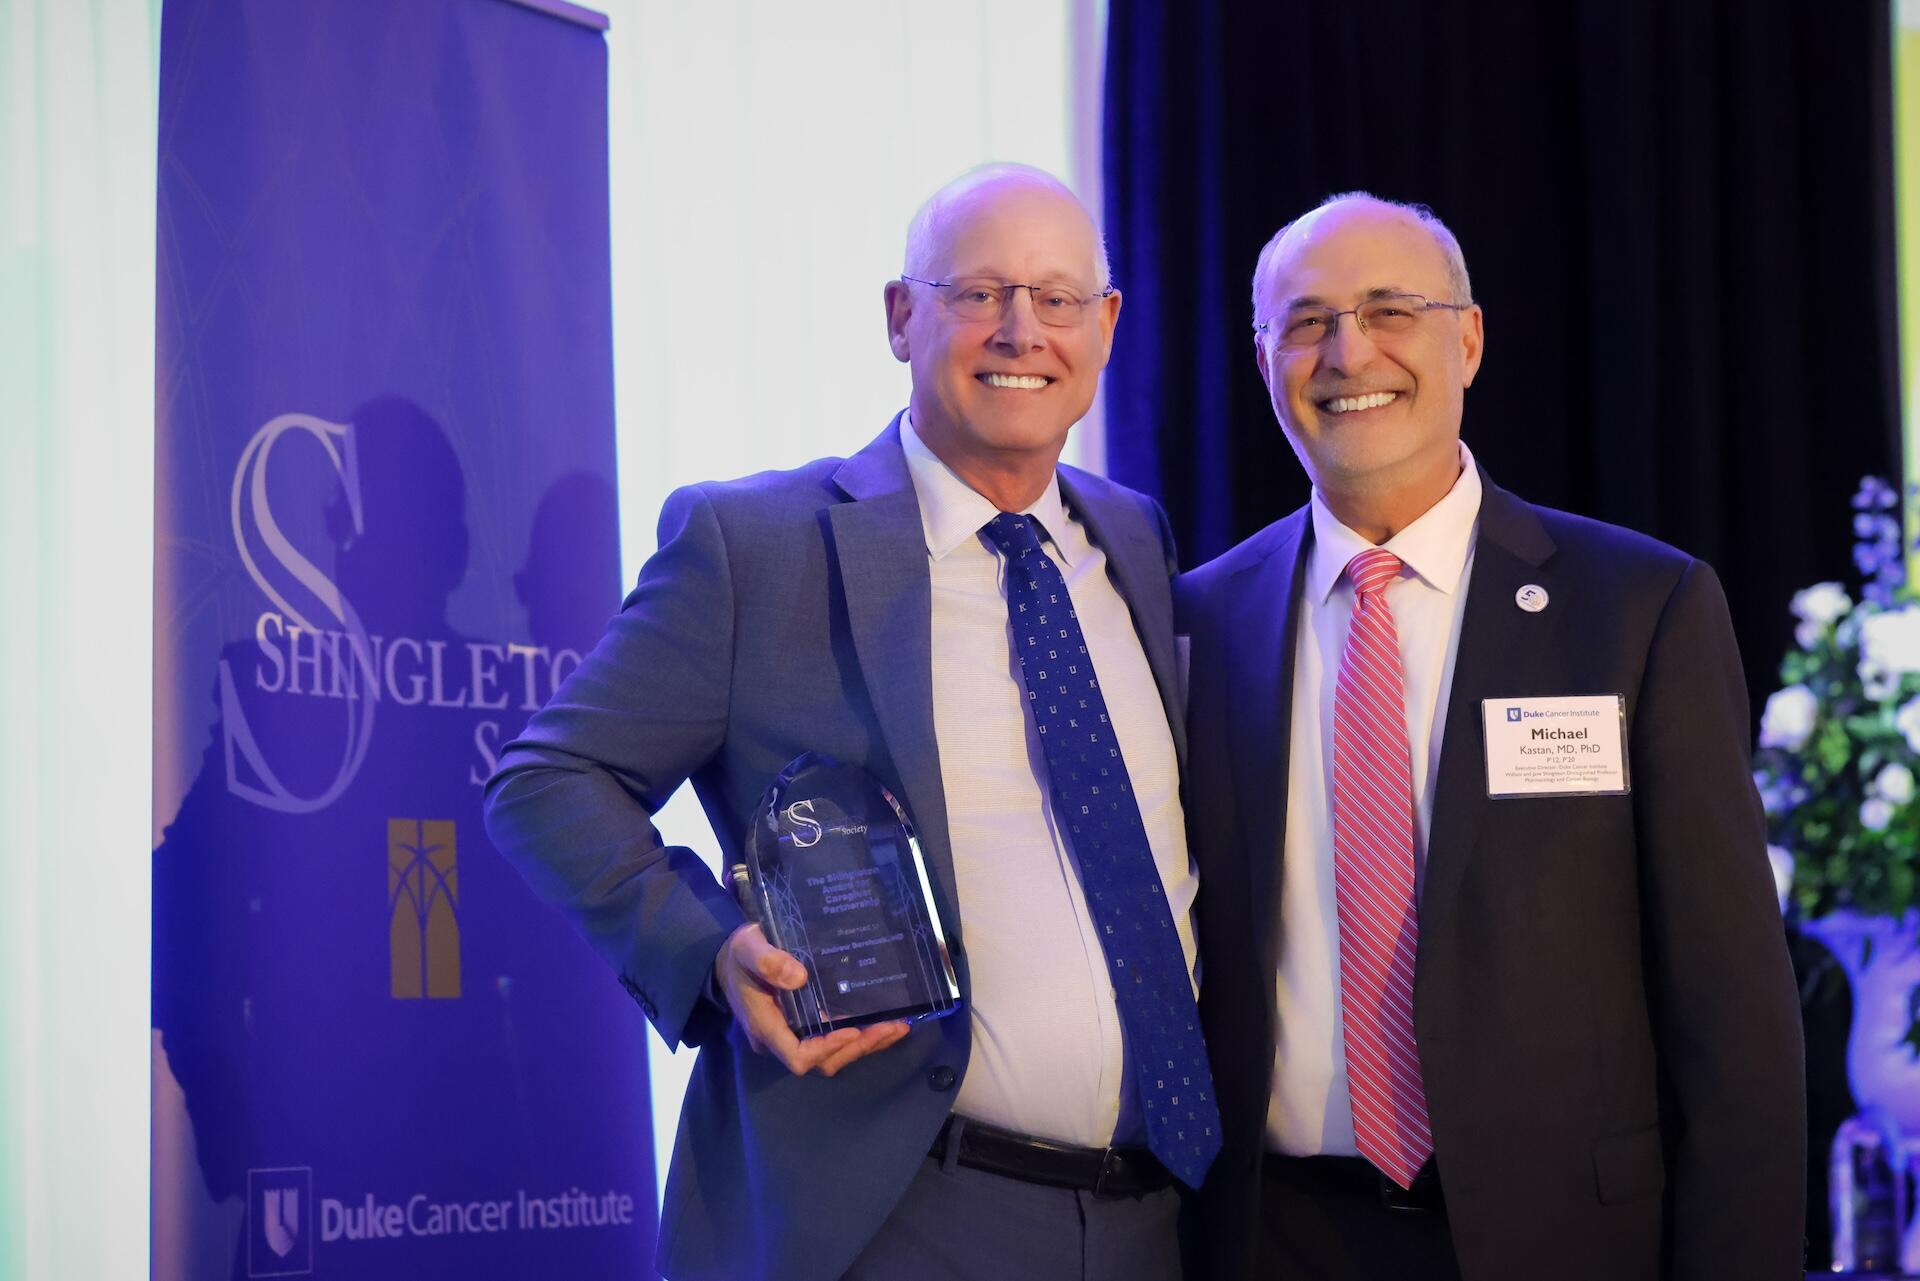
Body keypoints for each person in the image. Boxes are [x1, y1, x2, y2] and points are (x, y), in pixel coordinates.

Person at [484, 163, 1218, 1281]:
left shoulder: (1136, 541)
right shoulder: (756, 546)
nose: (1021, 330)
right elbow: (546, 779)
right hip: (896, 1216)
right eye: (979, 292)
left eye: (1058, 299)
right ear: (900, 316)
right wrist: (710, 951)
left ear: (1106, 326)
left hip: (1154, 1221)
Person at [1176, 193, 1804, 1280]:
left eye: (1389, 312)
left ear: (1467, 339)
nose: (1348, 352)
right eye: (1308, 321)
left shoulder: (1639, 609)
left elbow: (1734, 1015)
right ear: (1264, 355)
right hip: (1273, 1240)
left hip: (1565, 1240)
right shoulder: (1198, 621)